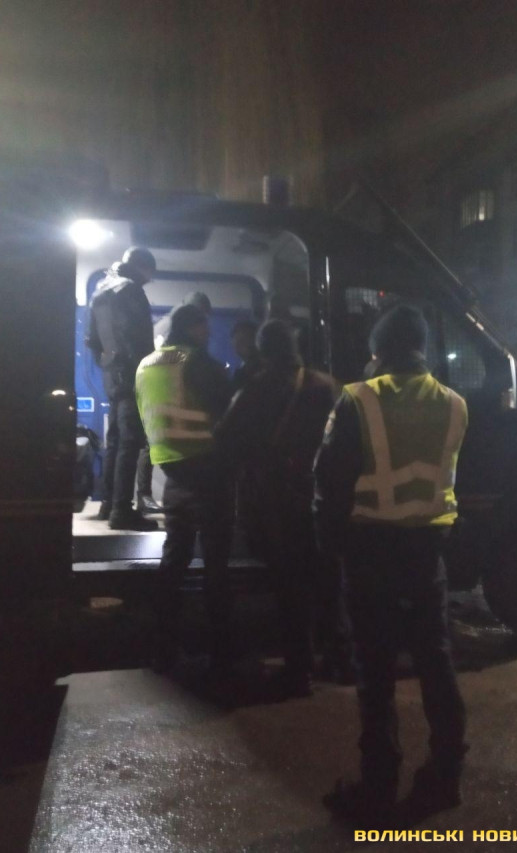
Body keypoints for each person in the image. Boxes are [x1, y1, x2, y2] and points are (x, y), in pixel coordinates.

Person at [314, 304, 468, 821]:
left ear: (378, 351)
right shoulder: (454, 403)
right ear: (422, 349)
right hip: (427, 553)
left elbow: (328, 482)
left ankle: (377, 785)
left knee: (375, 672)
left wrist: (330, 549)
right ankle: (445, 777)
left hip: (371, 552)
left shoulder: (358, 399)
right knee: (436, 664)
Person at [216, 320, 349, 698]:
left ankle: (299, 669)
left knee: (292, 587)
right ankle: (341, 658)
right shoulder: (329, 386)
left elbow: (226, 440)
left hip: (279, 501)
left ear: (263, 350)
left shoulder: (256, 388)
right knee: (330, 579)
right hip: (326, 498)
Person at [136, 303, 234, 675]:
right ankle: (221, 651)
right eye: (204, 327)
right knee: (216, 564)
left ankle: (163, 647)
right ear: (192, 328)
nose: (208, 334)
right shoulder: (198, 362)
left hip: (172, 472)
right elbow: (228, 414)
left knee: (174, 559)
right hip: (209, 469)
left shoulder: (146, 364)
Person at [86, 247, 158, 530]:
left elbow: (91, 340)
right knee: (131, 442)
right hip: (132, 374)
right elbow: (139, 337)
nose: (149, 280)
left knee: (115, 441)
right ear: (143, 267)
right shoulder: (131, 290)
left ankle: (108, 504)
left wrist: (107, 365)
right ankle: (122, 510)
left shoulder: (100, 290)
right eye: (150, 274)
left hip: (111, 376)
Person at [230, 319, 262, 392]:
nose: (239, 345)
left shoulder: (264, 369)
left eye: (243, 339)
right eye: (238, 341)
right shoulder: (240, 372)